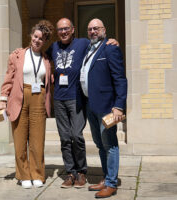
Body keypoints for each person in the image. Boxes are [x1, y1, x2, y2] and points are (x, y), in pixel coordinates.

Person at [46, 18, 119, 189]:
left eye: (66, 29)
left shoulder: (83, 43)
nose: (63, 32)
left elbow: (100, 45)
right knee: (64, 138)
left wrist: (114, 41)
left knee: (76, 136)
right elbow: (39, 56)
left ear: (72, 30)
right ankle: (71, 172)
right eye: (60, 29)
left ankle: (82, 172)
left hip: (77, 98)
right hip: (59, 99)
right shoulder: (54, 47)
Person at [0, 20, 54, 189]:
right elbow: (9, 79)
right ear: (31, 35)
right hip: (19, 97)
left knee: (37, 141)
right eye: (35, 36)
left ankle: (37, 174)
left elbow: (50, 80)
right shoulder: (17, 55)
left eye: (41, 39)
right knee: (20, 140)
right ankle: (23, 174)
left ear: (45, 42)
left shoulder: (47, 59)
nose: (37, 40)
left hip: (39, 99)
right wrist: (2, 100)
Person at [79, 18, 127, 198]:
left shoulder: (110, 48)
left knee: (110, 145)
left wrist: (119, 106)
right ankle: (107, 178)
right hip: (91, 105)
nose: (92, 31)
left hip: (107, 107)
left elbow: (120, 79)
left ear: (104, 30)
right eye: (90, 29)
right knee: (100, 145)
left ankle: (112, 184)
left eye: (96, 28)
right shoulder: (88, 48)